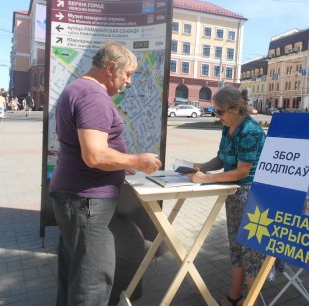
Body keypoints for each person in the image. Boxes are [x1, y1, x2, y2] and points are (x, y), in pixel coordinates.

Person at [49, 42, 162, 306]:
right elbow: (95, 155)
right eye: (128, 74)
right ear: (111, 68)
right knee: (93, 280)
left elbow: (89, 151)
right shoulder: (94, 96)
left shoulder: (77, 88)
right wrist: (136, 159)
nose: (129, 82)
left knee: (74, 272)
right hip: (87, 201)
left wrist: (121, 163)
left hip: (74, 197)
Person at [186, 85, 268, 306]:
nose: (217, 116)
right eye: (215, 111)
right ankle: (235, 297)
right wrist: (199, 167)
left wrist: (205, 178)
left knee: (250, 250)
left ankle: (252, 302)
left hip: (251, 196)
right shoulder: (228, 127)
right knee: (236, 246)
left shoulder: (250, 130)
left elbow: (242, 171)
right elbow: (221, 159)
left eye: (220, 112)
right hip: (234, 192)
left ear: (237, 108)